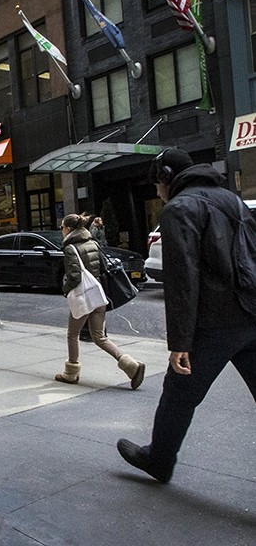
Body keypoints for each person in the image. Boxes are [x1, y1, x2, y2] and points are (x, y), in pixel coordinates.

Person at [117, 148, 256, 483]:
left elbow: (183, 278)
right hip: (252, 315)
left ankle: (159, 460)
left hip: (214, 324)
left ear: (167, 177)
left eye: (156, 184)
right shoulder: (231, 200)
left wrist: (180, 342)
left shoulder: (179, 208)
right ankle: (159, 459)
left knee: (179, 394)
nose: (156, 192)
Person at [55, 213, 145, 388]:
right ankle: (132, 366)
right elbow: (103, 268)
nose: (61, 231)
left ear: (68, 229)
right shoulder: (93, 243)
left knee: (73, 334)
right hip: (99, 295)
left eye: (62, 228)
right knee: (99, 337)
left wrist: (65, 290)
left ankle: (71, 374)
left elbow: (74, 277)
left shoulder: (70, 249)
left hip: (84, 298)